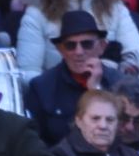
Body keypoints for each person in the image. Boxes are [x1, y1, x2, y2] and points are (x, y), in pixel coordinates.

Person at [24, 10, 124, 147]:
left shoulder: (120, 83)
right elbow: (34, 142)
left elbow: (127, 135)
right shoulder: (41, 87)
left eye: (86, 44)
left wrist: (95, 90)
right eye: (70, 45)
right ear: (60, 50)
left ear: (102, 47)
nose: (79, 52)